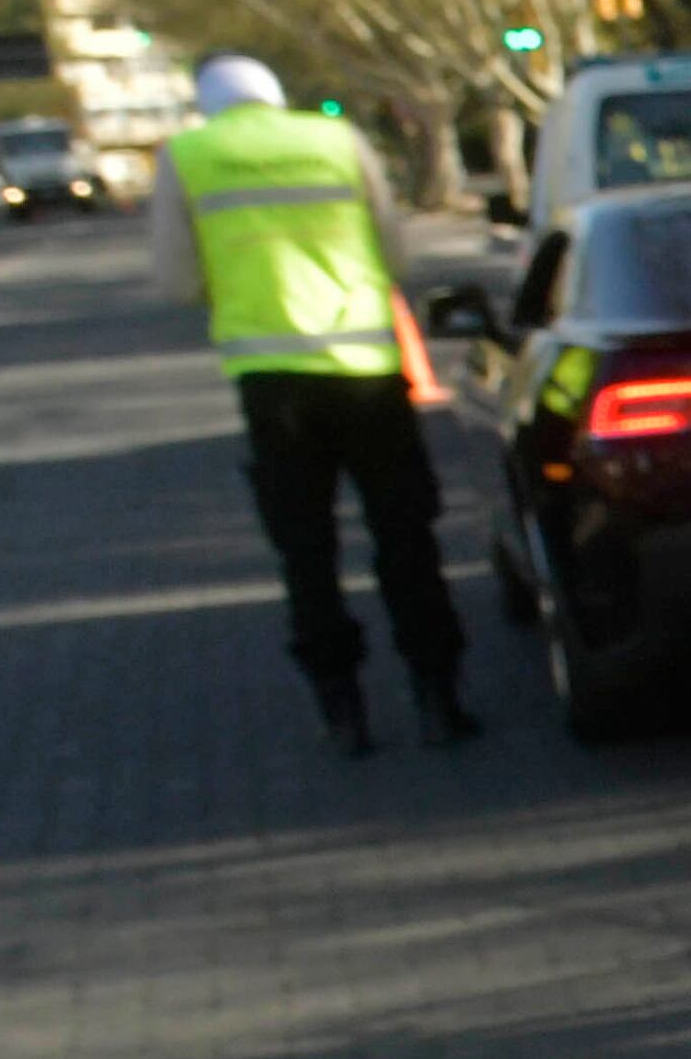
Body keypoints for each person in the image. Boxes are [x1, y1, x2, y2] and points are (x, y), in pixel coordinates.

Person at [149, 54, 478, 755]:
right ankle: (437, 694)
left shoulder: (188, 155)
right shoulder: (337, 141)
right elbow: (396, 255)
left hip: (273, 383)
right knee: (406, 538)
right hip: (367, 369)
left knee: (306, 550)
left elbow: (176, 281)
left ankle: (343, 709)